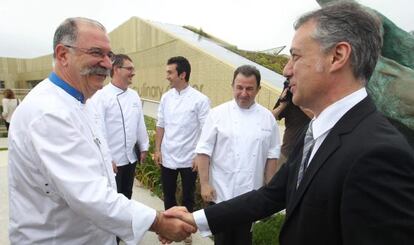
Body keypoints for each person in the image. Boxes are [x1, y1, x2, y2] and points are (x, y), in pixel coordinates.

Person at [164, 2, 414, 245]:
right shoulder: (317, 129)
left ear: (337, 56)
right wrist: (196, 219)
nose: (286, 70)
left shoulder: (380, 153)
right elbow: (272, 195)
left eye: (295, 56)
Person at [8, 17, 195, 244]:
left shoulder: (81, 101)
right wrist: (159, 222)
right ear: (63, 55)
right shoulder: (48, 112)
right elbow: (89, 196)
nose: (107, 63)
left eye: (109, 55)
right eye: (97, 53)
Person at [195, 65, 281, 245]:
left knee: (243, 239)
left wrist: (270, 187)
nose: (243, 93)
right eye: (239, 87)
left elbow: (272, 156)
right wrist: (204, 184)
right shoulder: (217, 114)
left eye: (249, 88)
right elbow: (204, 151)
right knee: (223, 240)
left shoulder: (268, 118)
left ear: (258, 89)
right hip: (222, 191)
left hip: (251, 193)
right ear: (232, 86)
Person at [154, 56, 210, 244]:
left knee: (188, 197)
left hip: (189, 158)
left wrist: (198, 155)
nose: (167, 76)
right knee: (168, 194)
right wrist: (157, 149)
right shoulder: (166, 97)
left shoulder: (200, 100)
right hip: (168, 154)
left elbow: (206, 130)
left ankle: (186, 231)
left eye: (170, 72)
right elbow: (161, 125)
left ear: (182, 74)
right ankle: (169, 229)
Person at [91, 54, 149, 200]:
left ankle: (126, 223)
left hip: (130, 158)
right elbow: (99, 130)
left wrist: (144, 147)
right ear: (116, 69)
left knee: (127, 195)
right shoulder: (101, 96)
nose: (133, 73)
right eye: (129, 69)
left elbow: (139, 123)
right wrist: (107, 158)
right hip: (113, 161)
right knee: (112, 199)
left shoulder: (134, 95)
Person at [272, 80, 311, 169]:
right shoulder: (288, 98)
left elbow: (316, 117)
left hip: (305, 155)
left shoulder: (313, 100)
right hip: (286, 153)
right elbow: (271, 118)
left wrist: (299, 101)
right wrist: (282, 104)